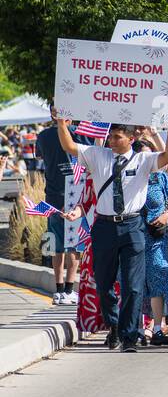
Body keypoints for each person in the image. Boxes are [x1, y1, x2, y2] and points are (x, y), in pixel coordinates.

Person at [54, 118, 168, 351]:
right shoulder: (98, 155)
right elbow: (69, 146)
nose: (111, 140)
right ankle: (114, 325)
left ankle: (129, 335)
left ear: (131, 139)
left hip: (133, 225)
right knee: (104, 281)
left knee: (133, 284)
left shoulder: (143, 159)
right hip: (105, 226)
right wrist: (62, 124)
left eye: (117, 137)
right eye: (110, 136)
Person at [35, 110, 88, 305]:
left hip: (53, 195)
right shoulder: (79, 132)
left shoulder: (43, 135)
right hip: (76, 193)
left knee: (57, 245)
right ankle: (68, 290)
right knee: (74, 245)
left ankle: (58, 291)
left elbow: (40, 157)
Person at [142, 155, 168, 346]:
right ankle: (137, 328)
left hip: (156, 236)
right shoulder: (127, 177)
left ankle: (157, 327)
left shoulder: (161, 178)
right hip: (134, 235)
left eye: (151, 157)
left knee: (159, 274)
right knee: (136, 281)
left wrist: (167, 214)